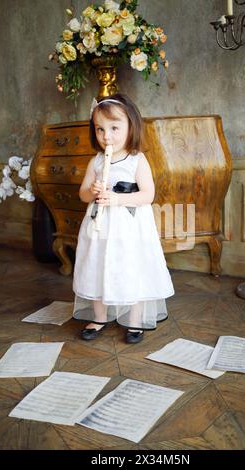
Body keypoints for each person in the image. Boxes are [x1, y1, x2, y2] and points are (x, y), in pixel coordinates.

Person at [72, 93, 174, 343]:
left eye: (114, 128)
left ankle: (134, 319)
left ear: (131, 127)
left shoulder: (137, 160)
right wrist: (93, 190)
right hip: (100, 226)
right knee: (96, 265)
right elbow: (83, 194)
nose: (107, 136)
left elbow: (148, 195)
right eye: (100, 129)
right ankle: (99, 316)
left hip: (129, 227)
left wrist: (117, 199)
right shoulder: (96, 161)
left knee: (131, 267)